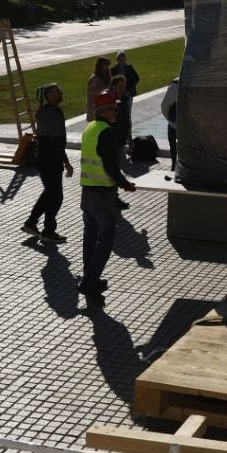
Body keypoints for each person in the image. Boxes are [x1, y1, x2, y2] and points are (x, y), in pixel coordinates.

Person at [77, 91, 136, 302]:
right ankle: (89, 281)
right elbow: (110, 167)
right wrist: (125, 184)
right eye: (114, 108)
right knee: (107, 236)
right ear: (105, 110)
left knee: (90, 237)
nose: (117, 111)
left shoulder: (90, 128)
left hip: (87, 191)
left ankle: (90, 279)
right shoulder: (106, 132)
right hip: (103, 193)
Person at [21, 82, 73, 242]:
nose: (60, 93)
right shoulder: (50, 113)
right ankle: (48, 231)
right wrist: (66, 162)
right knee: (56, 197)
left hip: (46, 158)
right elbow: (55, 140)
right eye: (57, 92)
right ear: (48, 95)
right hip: (50, 160)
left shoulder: (48, 111)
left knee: (49, 193)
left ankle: (31, 223)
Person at [160, 75, 179, 168]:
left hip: (174, 123)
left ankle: (173, 164)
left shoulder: (175, 84)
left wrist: (169, 118)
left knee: (172, 144)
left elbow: (164, 105)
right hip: (186, 124)